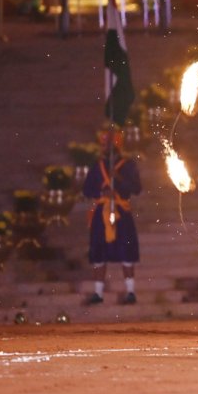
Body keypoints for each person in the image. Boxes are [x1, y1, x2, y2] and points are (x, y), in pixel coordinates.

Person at [82, 129, 142, 305]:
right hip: (102, 213)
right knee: (98, 252)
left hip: (122, 213)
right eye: (105, 143)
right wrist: (102, 190)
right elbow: (86, 189)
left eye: (111, 143)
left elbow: (137, 188)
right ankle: (98, 293)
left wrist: (119, 179)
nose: (107, 146)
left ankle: (130, 291)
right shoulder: (97, 166)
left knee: (126, 250)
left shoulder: (128, 165)